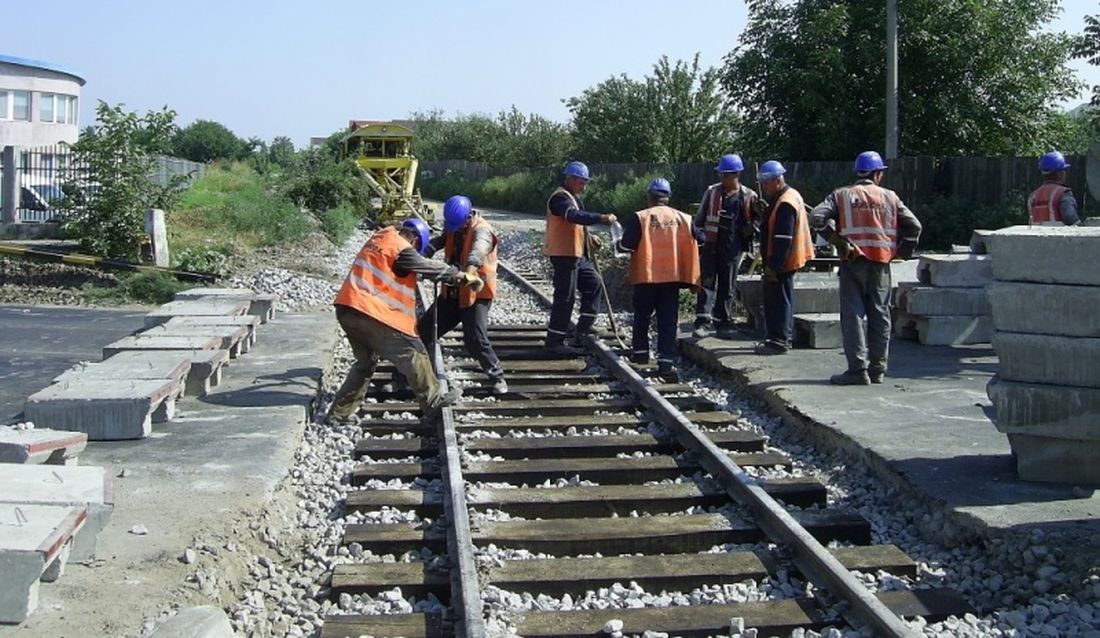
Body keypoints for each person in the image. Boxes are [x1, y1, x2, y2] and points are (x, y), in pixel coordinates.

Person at [327, 218, 479, 423]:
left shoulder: (380, 238)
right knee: (415, 352)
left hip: (347, 309)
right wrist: (459, 276)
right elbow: (425, 265)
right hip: (370, 313)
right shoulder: (402, 249)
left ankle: (338, 415)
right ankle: (432, 403)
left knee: (365, 364)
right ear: (415, 239)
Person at [810, 151, 922, 385]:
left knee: (853, 315)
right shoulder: (890, 197)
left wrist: (838, 242)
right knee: (880, 314)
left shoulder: (841, 195)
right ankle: (878, 369)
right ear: (878, 174)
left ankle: (857, 370)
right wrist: (902, 252)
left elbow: (816, 218)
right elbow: (914, 226)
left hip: (853, 262)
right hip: (881, 263)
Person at [417, 195, 508, 395]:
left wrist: (468, 271)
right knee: (424, 331)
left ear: (468, 217)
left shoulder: (482, 230)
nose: (454, 229)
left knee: (475, 338)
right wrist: (421, 255)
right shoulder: (454, 226)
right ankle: (405, 376)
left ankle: (497, 377)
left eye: (457, 225)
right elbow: (440, 241)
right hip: (452, 292)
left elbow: (477, 251)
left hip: (476, 294)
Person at [617, 178, 702, 375]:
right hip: (672, 278)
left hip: (647, 277)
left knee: (642, 315)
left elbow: (626, 246)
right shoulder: (684, 218)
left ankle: (640, 353)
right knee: (667, 319)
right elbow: (701, 240)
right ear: (668, 197)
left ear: (649, 197)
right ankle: (666, 361)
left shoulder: (641, 217)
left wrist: (617, 243)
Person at [543, 161, 617, 354]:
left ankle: (584, 326)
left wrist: (589, 238)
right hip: (563, 254)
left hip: (576, 254)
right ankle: (554, 341)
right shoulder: (560, 198)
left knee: (594, 282)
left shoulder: (574, 197)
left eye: (585, 182)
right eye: (581, 182)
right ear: (569, 179)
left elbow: (577, 224)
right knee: (565, 298)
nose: (584, 186)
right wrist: (600, 218)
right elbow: (572, 216)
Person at [692, 153, 760, 339]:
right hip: (710, 245)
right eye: (721, 174)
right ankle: (703, 322)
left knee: (727, 286)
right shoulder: (712, 192)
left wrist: (751, 227)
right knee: (706, 284)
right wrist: (699, 239)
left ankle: (723, 322)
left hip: (732, 248)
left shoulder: (749, 196)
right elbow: (699, 220)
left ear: (736, 174)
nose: (722, 178)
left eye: (725, 175)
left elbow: (759, 222)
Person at [755, 160, 814, 355]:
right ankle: (781, 337)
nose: (763, 186)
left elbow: (783, 237)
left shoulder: (785, 203)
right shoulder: (787, 196)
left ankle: (779, 341)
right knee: (784, 298)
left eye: (766, 182)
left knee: (779, 301)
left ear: (777, 180)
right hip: (787, 259)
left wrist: (774, 265)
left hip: (783, 260)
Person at [1028, 151, 1080, 226]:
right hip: (1059, 236)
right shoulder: (1063, 193)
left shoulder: (1033, 195)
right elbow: (1070, 218)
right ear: (1059, 174)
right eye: (1064, 170)